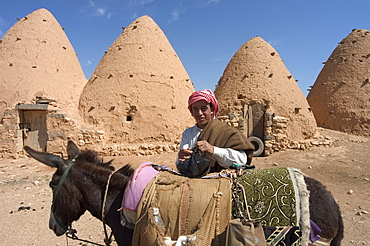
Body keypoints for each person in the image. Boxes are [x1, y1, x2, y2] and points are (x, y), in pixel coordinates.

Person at [176, 89, 255, 173]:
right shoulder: (188, 133)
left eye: (204, 108)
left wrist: (213, 150)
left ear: (212, 109)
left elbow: (242, 160)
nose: (199, 113)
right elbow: (180, 163)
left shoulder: (226, 131)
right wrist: (181, 158)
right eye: (195, 109)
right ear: (191, 112)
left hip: (220, 182)